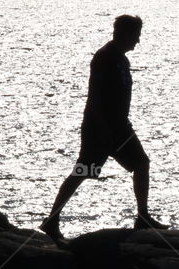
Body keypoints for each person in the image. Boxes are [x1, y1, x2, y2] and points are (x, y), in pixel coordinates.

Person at [40, 14, 168, 246]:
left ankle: (142, 217)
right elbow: (95, 96)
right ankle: (52, 220)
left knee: (141, 164)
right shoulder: (104, 57)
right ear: (126, 34)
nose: (138, 41)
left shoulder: (122, 59)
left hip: (121, 127)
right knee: (83, 171)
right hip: (100, 127)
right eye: (136, 36)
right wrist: (101, 128)